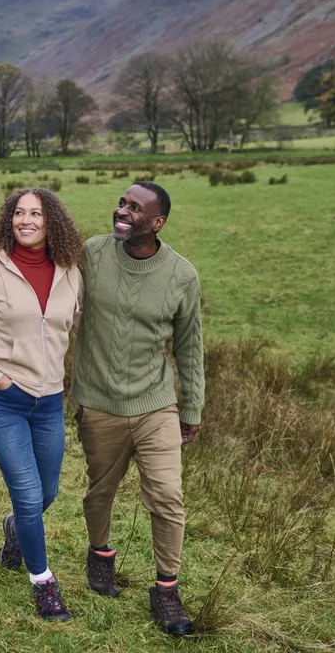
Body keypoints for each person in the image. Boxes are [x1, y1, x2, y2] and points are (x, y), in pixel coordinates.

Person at [71, 182, 204, 637]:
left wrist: (193, 409)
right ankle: (100, 554)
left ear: (157, 222)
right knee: (99, 491)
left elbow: (190, 348)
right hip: (99, 401)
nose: (122, 210)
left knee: (167, 495)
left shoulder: (182, 275)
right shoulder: (91, 253)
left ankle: (167, 589)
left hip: (156, 404)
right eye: (122, 202)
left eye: (134, 207)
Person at [0, 188, 84, 621]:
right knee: (27, 496)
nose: (26, 220)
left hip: (49, 403)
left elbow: (73, 327)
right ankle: (43, 582)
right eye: (19, 213)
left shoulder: (70, 271)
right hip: (4, 401)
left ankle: (14, 531)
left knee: (47, 492)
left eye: (36, 213)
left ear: (52, 222)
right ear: (9, 219)